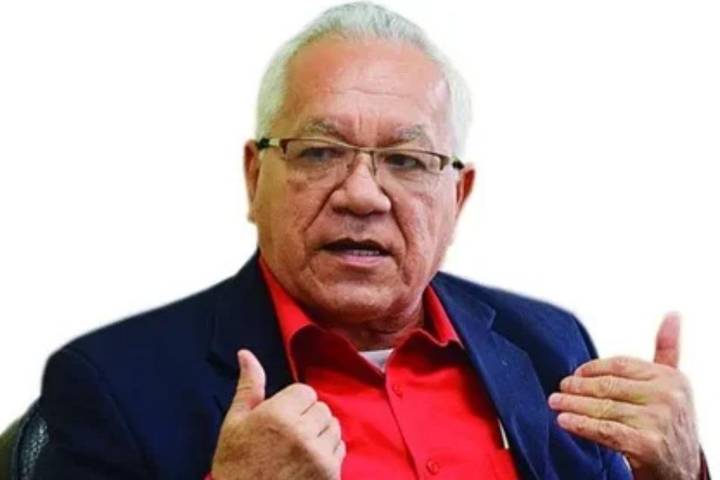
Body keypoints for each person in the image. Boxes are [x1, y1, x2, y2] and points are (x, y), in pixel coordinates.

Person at [34, 2, 708, 479]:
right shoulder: (111, 384)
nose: (361, 194)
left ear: (458, 198)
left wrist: (679, 473)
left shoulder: (548, 344)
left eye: (407, 161)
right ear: (254, 177)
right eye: (319, 151)